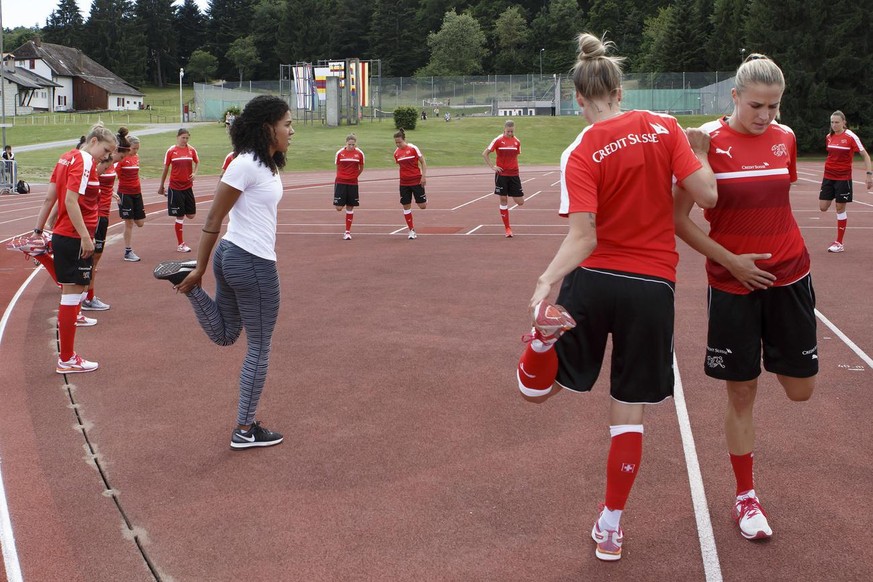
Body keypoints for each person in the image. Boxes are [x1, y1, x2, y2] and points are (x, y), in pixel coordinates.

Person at [514, 33, 717, 562]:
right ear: (620, 88)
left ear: (578, 98)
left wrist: (546, 281)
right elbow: (708, 195)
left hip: (594, 279)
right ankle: (611, 525)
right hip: (652, 287)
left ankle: (540, 344)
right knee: (628, 414)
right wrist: (694, 153)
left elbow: (584, 237)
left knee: (535, 393)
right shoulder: (664, 126)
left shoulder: (579, 150)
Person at [674, 53, 818, 542]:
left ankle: (779, 352)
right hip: (733, 284)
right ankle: (745, 496)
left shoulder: (786, 138)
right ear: (734, 97)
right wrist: (732, 260)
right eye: (757, 105)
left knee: (801, 391)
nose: (766, 116)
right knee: (742, 391)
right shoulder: (705, 142)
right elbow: (678, 221)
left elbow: (777, 201)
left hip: (792, 277)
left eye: (774, 107)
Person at [153, 95, 294, 450]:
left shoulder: (266, 163)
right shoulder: (245, 164)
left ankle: (187, 286)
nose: (292, 130)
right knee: (259, 347)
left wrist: (199, 277)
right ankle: (245, 430)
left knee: (227, 335)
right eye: (287, 124)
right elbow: (213, 218)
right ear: (267, 128)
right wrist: (200, 267)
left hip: (235, 256)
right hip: (251, 262)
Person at [31, 124, 117, 373]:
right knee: (71, 295)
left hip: (68, 235)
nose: (106, 156)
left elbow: (52, 197)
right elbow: (69, 200)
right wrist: (85, 237)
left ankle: (67, 357)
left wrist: (42, 228)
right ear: (93, 141)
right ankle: (67, 359)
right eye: (105, 149)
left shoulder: (65, 157)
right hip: (74, 237)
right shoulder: (83, 160)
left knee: (73, 292)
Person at [83, 129, 132, 311]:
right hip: (96, 215)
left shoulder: (107, 164)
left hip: (102, 213)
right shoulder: (102, 162)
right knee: (91, 261)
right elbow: (87, 182)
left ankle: (86, 296)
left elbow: (95, 181)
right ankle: (87, 297)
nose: (122, 160)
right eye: (122, 156)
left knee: (93, 260)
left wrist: (108, 192)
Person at [818, 110, 873, 253]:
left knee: (840, 208)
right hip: (828, 176)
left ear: (844, 122)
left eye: (837, 122)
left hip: (843, 178)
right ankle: (838, 240)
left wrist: (869, 174)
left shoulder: (851, 137)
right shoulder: (828, 137)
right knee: (823, 207)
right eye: (832, 122)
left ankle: (839, 242)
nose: (834, 125)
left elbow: (865, 155)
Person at [158, 128, 200, 253]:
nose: (185, 140)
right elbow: (165, 169)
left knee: (191, 215)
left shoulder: (191, 150)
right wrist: (161, 186)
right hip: (175, 187)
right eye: (183, 138)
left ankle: (181, 242)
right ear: (177, 137)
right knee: (180, 215)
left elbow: (197, 162)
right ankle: (180, 244)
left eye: (187, 138)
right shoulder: (171, 151)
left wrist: (195, 173)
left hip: (188, 186)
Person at [483, 120, 524, 237]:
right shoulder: (498, 140)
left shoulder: (517, 142)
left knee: (520, 202)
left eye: (512, 131)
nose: (510, 133)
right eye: (508, 131)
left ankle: (511, 193)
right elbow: (485, 153)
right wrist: (493, 167)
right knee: (503, 200)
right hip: (502, 175)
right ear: (504, 129)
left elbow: (515, 155)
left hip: (514, 174)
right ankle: (507, 229)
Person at [393, 129, 427, 239]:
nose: (398, 144)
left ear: (404, 140)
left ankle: (424, 198)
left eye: (400, 142)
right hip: (403, 183)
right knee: (406, 205)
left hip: (416, 180)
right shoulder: (396, 153)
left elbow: (423, 162)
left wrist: (423, 176)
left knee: (422, 206)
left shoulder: (413, 148)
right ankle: (411, 230)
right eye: (396, 143)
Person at [116, 133, 144, 262]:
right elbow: (116, 176)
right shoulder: (122, 159)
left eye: (138, 148)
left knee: (140, 223)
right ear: (128, 148)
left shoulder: (136, 157)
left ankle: (128, 250)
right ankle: (128, 251)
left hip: (137, 193)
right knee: (129, 222)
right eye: (134, 148)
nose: (136, 151)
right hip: (125, 193)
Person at [334, 134, 365, 240]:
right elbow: (338, 167)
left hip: (353, 183)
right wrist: (341, 178)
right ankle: (342, 201)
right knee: (339, 208)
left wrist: (354, 176)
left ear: (355, 144)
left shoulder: (359, 153)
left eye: (353, 144)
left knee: (350, 207)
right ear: (346, 143)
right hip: (341, 182)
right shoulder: (340, 153)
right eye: (349, 144)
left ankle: (347, 232)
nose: (351, 146)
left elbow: (361, 167)